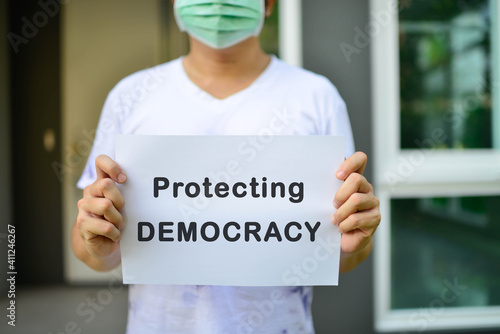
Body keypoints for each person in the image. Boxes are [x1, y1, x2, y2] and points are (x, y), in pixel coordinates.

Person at [72, 0, 381, 332]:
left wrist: (354, 243)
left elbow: (346, 251)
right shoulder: (130, 96)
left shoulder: (317, 97)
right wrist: (97, 240)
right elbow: (92, 248)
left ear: (268, 4)